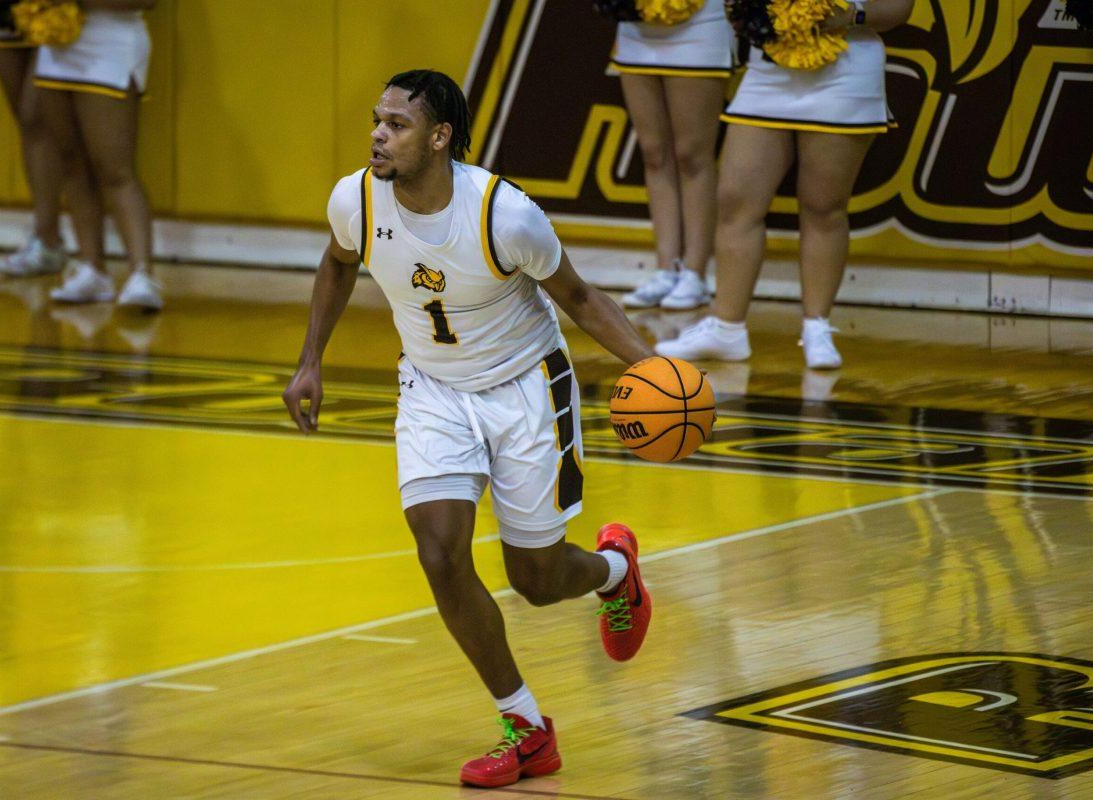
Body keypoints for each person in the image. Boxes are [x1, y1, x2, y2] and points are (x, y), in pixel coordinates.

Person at [282, 70, 657, 789]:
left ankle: (615, 573)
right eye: (376, 120)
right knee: (439, 553)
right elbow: (337, 264)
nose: (377, 135)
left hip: (526, 389)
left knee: (537, 581)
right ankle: (525, 727)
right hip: (432, 390)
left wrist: (656, 367)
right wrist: (309, 364)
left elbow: (579, 295)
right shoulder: (355, 198)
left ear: (440, 137)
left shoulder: (504, 215)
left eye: (395, 124)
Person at [657, 0, 914, 368]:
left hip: (845, 69)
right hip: (768, 70)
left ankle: (817, 327)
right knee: (735, 199)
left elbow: (900, 8)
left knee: (823, 206)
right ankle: (728, 327)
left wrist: (852, 12)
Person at [34, 0, 162, 310]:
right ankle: (91, 267)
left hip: (111, 42)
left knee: (115, 169)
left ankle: (141, 274)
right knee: (71, 162)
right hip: (57, 41)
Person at [613, 1, 736, 311]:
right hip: (637, 24)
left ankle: (695, 273)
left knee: (692, 155)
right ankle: (666, 269)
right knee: (653, 153)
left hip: (701, 23)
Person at [0, 0, 104, 277]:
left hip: (56, 9)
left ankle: (51, 238)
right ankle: (47, 238)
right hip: (1, 10)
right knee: (28, 123)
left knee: (37, 116)